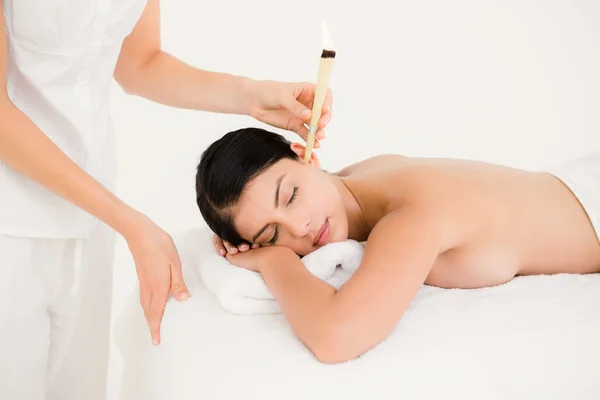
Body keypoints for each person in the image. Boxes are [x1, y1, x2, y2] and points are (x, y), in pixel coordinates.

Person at [0, 1, 332, 399]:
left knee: (79, 387)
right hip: (12, 218)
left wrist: (253, 96)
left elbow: (140, 65)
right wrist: (130, 223)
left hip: (91, 213)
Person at [195, 127, 600, 364]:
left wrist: (274, 260)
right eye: (271, 233)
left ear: (305, 156)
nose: (299, 228)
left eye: (291, 196)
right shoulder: (364, 174)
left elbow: (336, 337)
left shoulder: (410, 213)